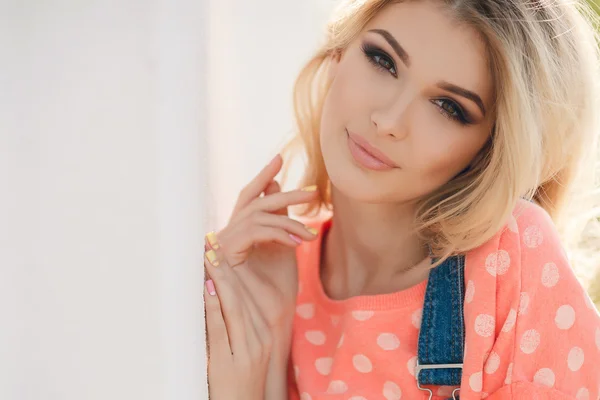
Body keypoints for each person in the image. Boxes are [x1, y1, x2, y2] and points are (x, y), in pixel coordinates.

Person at [203, 0, 600, 399]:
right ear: (340, 52)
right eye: (383, 60)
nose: (389, 121)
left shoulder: (508, 258)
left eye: (448, 107)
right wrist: (268, 347)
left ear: (490, 150)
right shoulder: (273, 269)